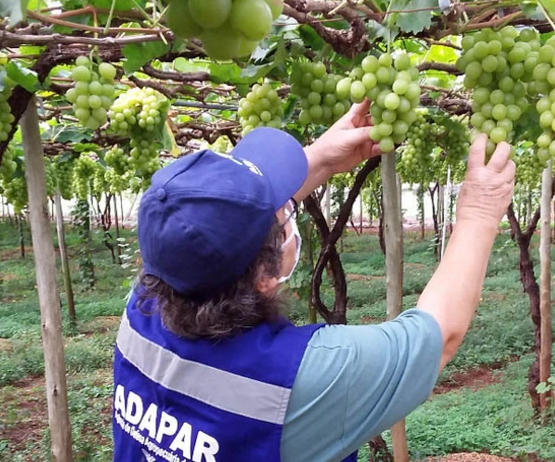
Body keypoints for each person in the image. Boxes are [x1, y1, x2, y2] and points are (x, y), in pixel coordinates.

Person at [112, 100, 516, 462]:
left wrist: (321, 158)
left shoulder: (143, 307)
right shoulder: (306, 379)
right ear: (265, 277)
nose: (290, 213)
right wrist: (480, 210)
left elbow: (214, 229)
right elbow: (440, 333)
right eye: (284, 216)